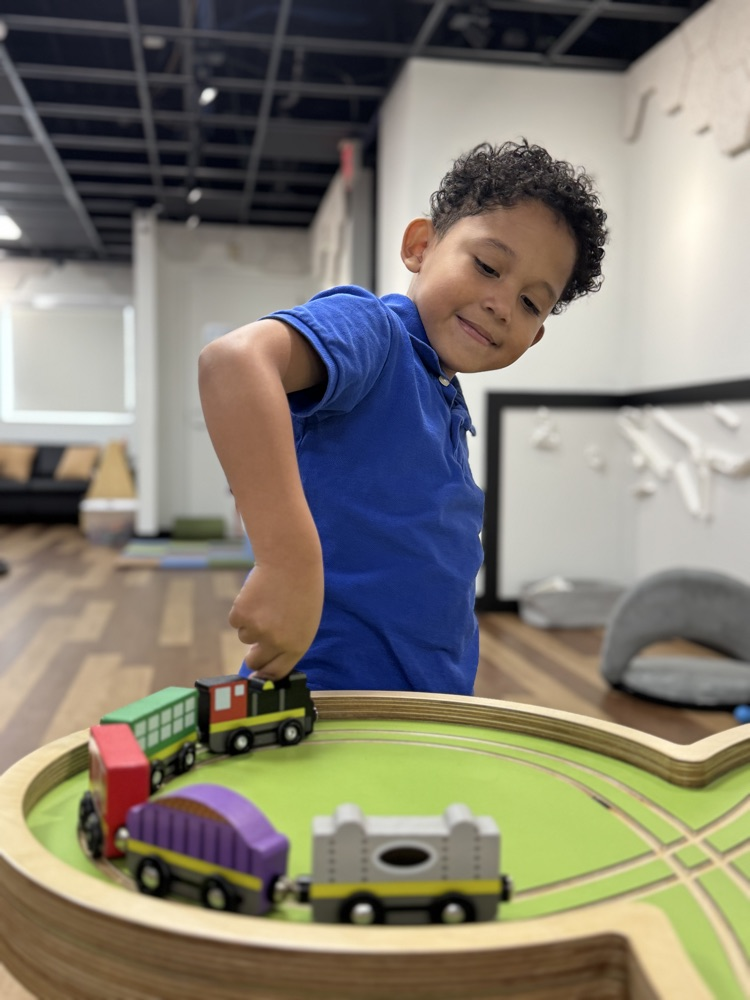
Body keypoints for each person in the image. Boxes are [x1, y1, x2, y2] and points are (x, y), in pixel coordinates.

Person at [198, 139, 608, 694]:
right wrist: (285, 562)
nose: (502, 305)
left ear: (535, 338)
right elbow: (233, 364)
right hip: (325, 702)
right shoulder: (374, 331)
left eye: (532, 303)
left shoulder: (443, 394)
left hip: (426, 707)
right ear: (421, 245)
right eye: (488, 266)